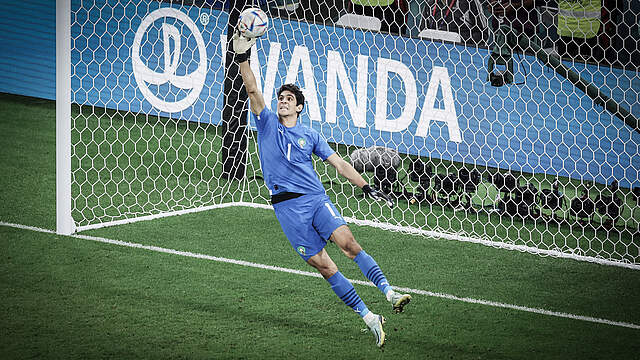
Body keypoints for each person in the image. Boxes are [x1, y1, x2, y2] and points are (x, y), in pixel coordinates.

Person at [230, 30, 412, 348]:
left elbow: (339, 164)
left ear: (299, 107)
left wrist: (366, 185)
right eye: (281, 98)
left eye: (289, 99)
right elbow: (252, 88)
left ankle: (390, 292)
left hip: (315, 200)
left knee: (349, 244)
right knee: (325, 266)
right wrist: (243, 56)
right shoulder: (267, 123)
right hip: (287, 209)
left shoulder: (310, 135)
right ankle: (370, 318)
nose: (282, 101)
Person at [485, 0, 541, 86]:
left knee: (525, 66)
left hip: (522, 28)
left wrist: (515, 5)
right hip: (499, 26)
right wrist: (491, 5)